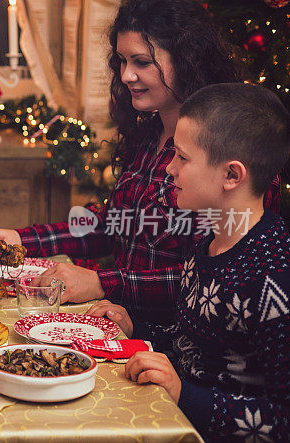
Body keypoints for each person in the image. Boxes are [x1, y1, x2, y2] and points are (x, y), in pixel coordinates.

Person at [0, 0, 280, 324]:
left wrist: (102, 282)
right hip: (119, 324)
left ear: (187, 60)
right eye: (122, 60)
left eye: (141, 61)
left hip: (175, 346)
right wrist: (21, 240)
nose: (126, 75)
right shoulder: (147, 133)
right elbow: (115, 223)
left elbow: (216, 275)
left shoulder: (225, 149)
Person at [87, 83, 290, 440]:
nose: (168, 169)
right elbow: (195, 346)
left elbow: (282, 420)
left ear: (232, 175)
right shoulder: (208, 243)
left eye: (182, 157)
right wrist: (136, 328)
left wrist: (184, 394)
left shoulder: (274, 277)